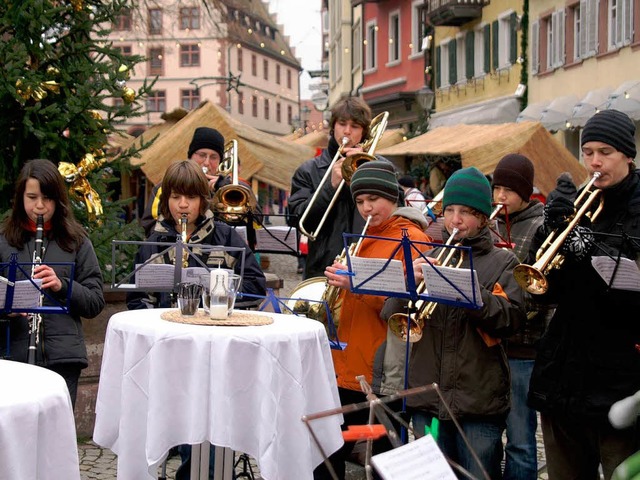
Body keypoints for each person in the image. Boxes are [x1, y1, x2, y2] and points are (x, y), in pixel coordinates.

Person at [127, 160, 266, 479]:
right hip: (171, 350)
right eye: (176, 197)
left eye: (191, 197)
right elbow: (137, 298)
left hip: (217, 349)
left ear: (203, 199)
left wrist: (218, 291)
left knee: (214, 427)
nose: (183, 205)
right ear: (166, 201)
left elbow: (255, 287)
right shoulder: (153, 240)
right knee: (183, 427)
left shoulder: (225, 236)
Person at [387, 166, 525, 479]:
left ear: (483, 217)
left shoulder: (504, 262)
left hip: (478, 403)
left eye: (465, 212)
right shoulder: (430, 255)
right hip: (427, 398)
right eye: (449, 210)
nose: (455, 220)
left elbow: (511, 320)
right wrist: (407, 281)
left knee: (477, 474)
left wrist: (471, 294)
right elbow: (391, 315)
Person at [527, 109, 640, 480]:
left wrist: (587, 249)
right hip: (564, 378)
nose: (593, 162)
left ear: (628, 154)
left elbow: (628, 295)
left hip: (619, 381)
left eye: (604, 152)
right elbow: (545, 293)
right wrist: (550, 233)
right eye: (587, 151)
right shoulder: (581, 202)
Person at [315, 161, 432, 479]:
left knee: (382, 457)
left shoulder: (412, 238)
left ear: (392, 197)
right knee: (328, 451)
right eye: (360, 201)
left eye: (373, 199)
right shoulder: (364, 237)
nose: (366, 208)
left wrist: (357, 284)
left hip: (381, 370)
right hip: (346, 365)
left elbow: (409, 305)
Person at [0, 159, 105, 409]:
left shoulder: (76, 240)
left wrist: (63, 285)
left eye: (46, 198)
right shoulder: (4, 242)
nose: (39, 205)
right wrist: (7, 306)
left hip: (64, 358)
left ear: (57, 199)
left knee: (56, 434)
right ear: (20, 198)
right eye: (32, 197)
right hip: (15, 355)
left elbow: (95, 301)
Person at [491, 154, 550, 480]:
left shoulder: (541, 226)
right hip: (489, 342)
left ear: (525, 192)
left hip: (524, 347)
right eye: (497, 188)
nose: (500, 196)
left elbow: (543, 289)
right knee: (489, 436)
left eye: (508, 190)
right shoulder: (490, 223)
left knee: (521, 440)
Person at [287, 96, 375, 279]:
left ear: (364, 132)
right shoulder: (308, 171)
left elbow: (395, 209)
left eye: (355, 126)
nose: (347, 131)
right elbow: (297, 220)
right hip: (322, 268)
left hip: (368, 266)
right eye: (342, 124)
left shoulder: (378, 167)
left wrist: (369, 173)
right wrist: (330, 186)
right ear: (333, 126)